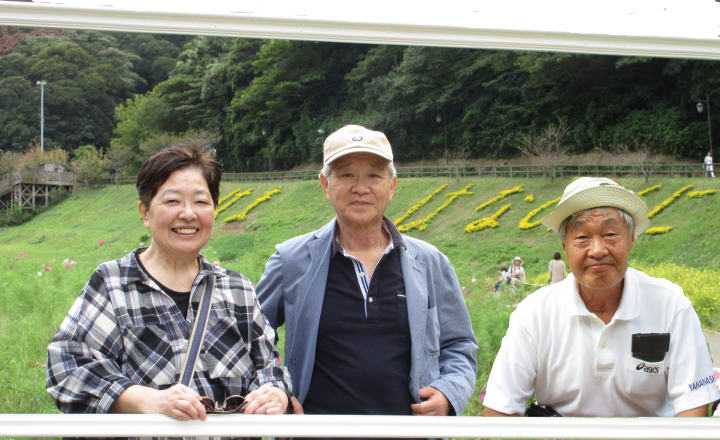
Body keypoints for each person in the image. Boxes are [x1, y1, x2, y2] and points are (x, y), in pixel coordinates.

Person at [47, 145, 292, 437]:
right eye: (172, 201)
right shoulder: (114, 284)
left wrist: (275, 392)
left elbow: (268, 366)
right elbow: (67, 367)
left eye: (201, 201)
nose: (188, 214)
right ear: (145, 211)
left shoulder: (237, 289)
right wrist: (147, 400)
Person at [255, 125, 478, 424]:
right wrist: (276, 388)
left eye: (374, 175)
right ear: (325, 185)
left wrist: (449, 392)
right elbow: (249, 338)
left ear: (392, 186)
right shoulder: (291, 260)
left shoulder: (430, 262)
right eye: (346, 174)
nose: (360, 187)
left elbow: (459, 345)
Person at [483, 177, 719, 418]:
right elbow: (499, 410)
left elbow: (692, 408)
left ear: (631, 238)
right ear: (565, 246)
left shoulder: (670, 305)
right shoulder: (534, 313)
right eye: (582, 238)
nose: (597, 251)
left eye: (610, 234)